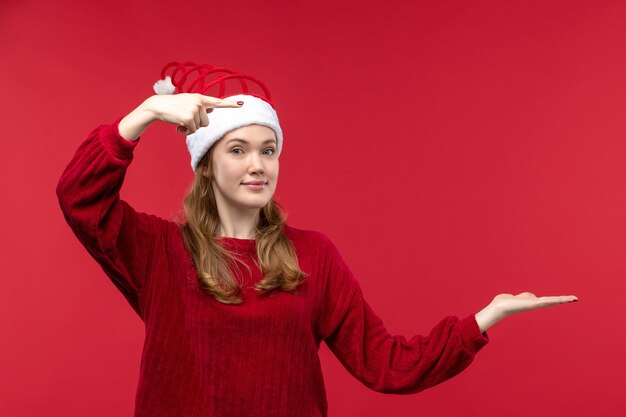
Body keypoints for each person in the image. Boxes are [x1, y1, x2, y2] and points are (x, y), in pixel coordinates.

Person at [55, 63, 578, 417]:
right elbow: (80, 197)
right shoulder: (159, 251)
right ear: (207, 165)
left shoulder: (314, 256)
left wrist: (487, 317)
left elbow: (386, 365)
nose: (258, 165)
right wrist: (143, 116)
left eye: (269, 149)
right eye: (238, 150)